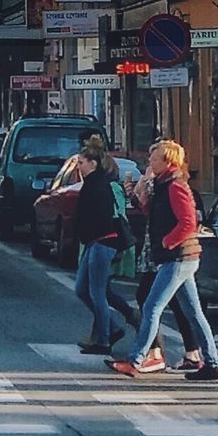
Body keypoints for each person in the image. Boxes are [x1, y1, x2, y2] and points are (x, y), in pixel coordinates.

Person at [108, 139, 218, 382]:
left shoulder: (176, 186)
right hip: (180, 256)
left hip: (179, 256)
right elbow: (155, 213)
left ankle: (135, 360)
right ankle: (212, 364)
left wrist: (168, 242)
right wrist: (140, 195)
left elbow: (188, 221)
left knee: (152, 307)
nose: (149, 162)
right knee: (194, 313)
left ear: (167, 161)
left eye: (154, 159)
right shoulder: (163, 184)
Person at [74, 148, 138, 354]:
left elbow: (104, 217)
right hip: (95, 243)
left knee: (97, 293)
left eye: (82, 162)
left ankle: (103, 340)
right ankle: (114, 326)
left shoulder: (101, 185)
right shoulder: (92, 184)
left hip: (104, 243)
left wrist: (87, 232)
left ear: (93, 164)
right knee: (83, 289)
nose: (79, 166)